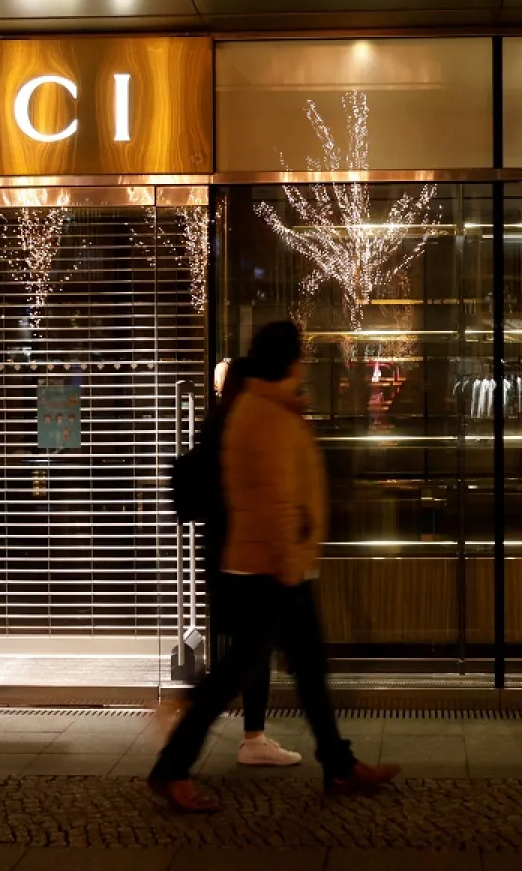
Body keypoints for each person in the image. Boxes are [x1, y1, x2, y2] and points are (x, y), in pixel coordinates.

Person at [148, 321, 400, 813]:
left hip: (277, 567)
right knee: (236, 675)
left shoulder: (266, 408)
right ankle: (171, 768)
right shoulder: (266, 415)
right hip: (271, 571)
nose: (305, 363)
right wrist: (290, 565)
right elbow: (274, 499)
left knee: (307, 671)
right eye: (301, 355)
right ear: (289, 360)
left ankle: (339, 763)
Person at [155, 356, 302, 767]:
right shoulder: (242, 423)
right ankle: (218, 727)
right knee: (249, 653)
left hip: (226, 553)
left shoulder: (220, 421)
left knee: (245, 651)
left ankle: (244, 733)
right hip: (244, 555)